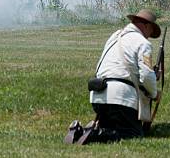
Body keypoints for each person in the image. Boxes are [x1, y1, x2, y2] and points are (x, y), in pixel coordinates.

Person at [66, 9, 161, 144]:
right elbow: (146, 76)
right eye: (151, 31)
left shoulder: (115, 37)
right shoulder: (142, 43)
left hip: (98, 96)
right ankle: (93, 134)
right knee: (132, 135)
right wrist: (154, 93)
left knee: (112, 128)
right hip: (120, 99)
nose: (149, 36)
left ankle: (83, 131)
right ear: (146, 25)